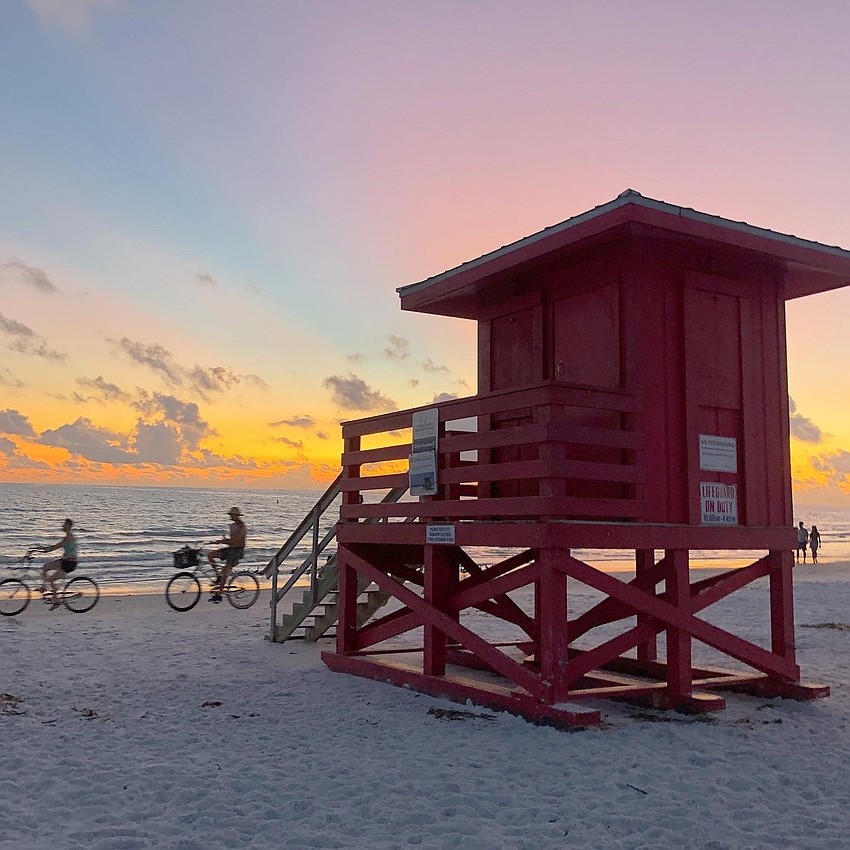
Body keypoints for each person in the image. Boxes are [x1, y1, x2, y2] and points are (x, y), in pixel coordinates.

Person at [208, 507, 247, 602]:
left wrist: (222, 541)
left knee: (225, 571)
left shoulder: (242, 527)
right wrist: (221, 541)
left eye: (232, 515)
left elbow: (235, 540)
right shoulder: (233, 526)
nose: (231, 517)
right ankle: (218, 576)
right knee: (210, 555)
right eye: (231, 515)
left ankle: (219, 595)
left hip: (237, 551)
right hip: (230, 549)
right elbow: (231, 540)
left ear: (237, 516)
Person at [39, 518, 78, 609]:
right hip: (65, 561)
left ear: (69, 526)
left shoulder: (68, 538)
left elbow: (55, 547)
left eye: (65, 524)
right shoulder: (70, 536)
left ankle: (55, 600)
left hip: (67, 564)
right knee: (45, 567)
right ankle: (45, 588)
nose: (63, 526)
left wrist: (44, 549)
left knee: (51, 580)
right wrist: (42, 549)